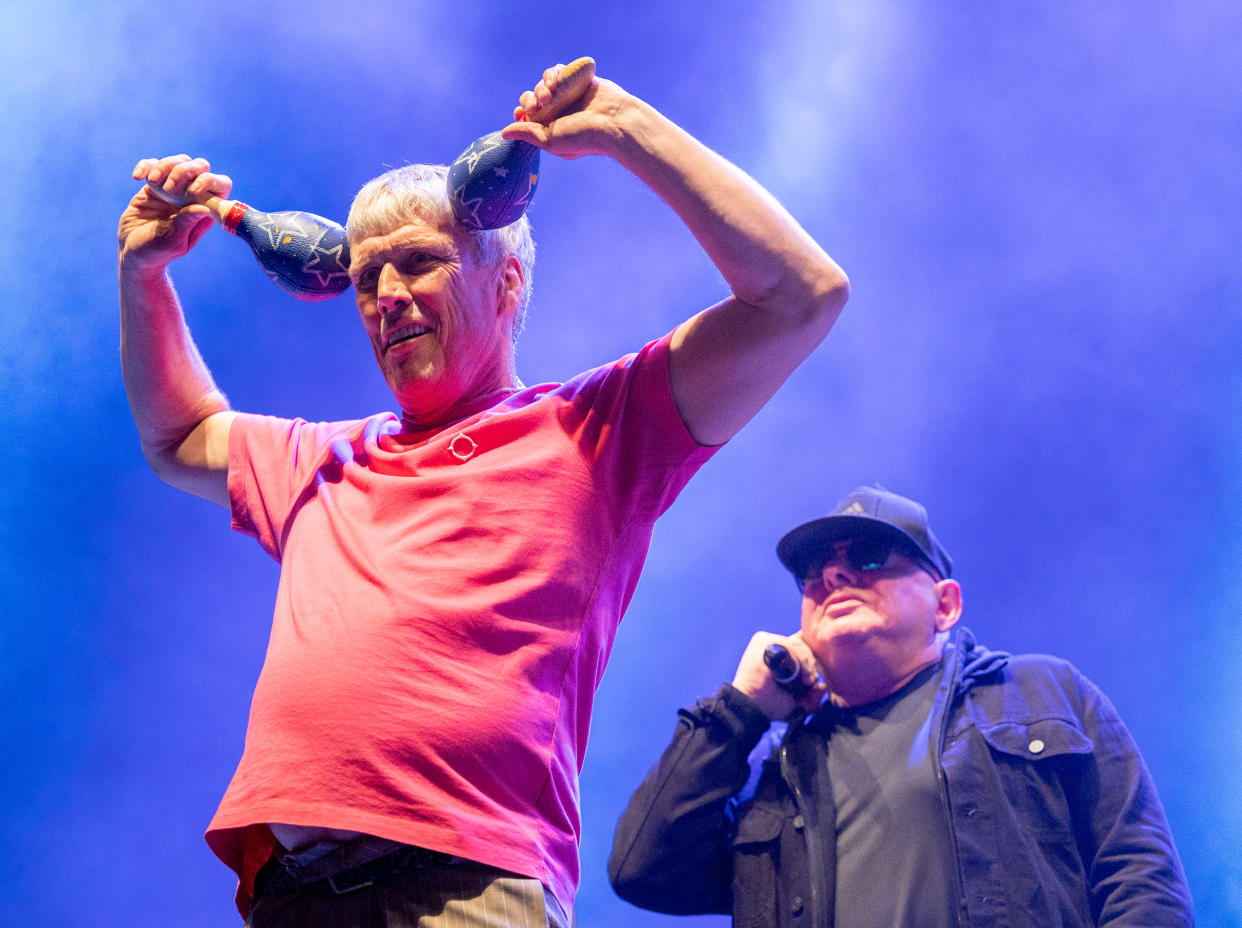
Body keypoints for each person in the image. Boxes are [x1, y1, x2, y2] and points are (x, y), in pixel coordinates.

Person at [116, 61, 849, 928]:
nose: (387, 298)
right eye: (365, 279)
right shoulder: (321, 458)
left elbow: (800, 297)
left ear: (507, 285)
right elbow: (177, 438)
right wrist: (144, 276)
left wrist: (624, 127)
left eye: (420, 264)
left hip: (463, 889)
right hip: (293, 900)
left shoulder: (593, 430)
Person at [609, 485, 1194, 927]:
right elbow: (644, 872)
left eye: (867, 555)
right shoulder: (784, 770)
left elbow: (1140, 879)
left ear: (945, 605)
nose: (833, 573)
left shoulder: (1041, 692)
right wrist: (740, 712)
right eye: (813, 573)